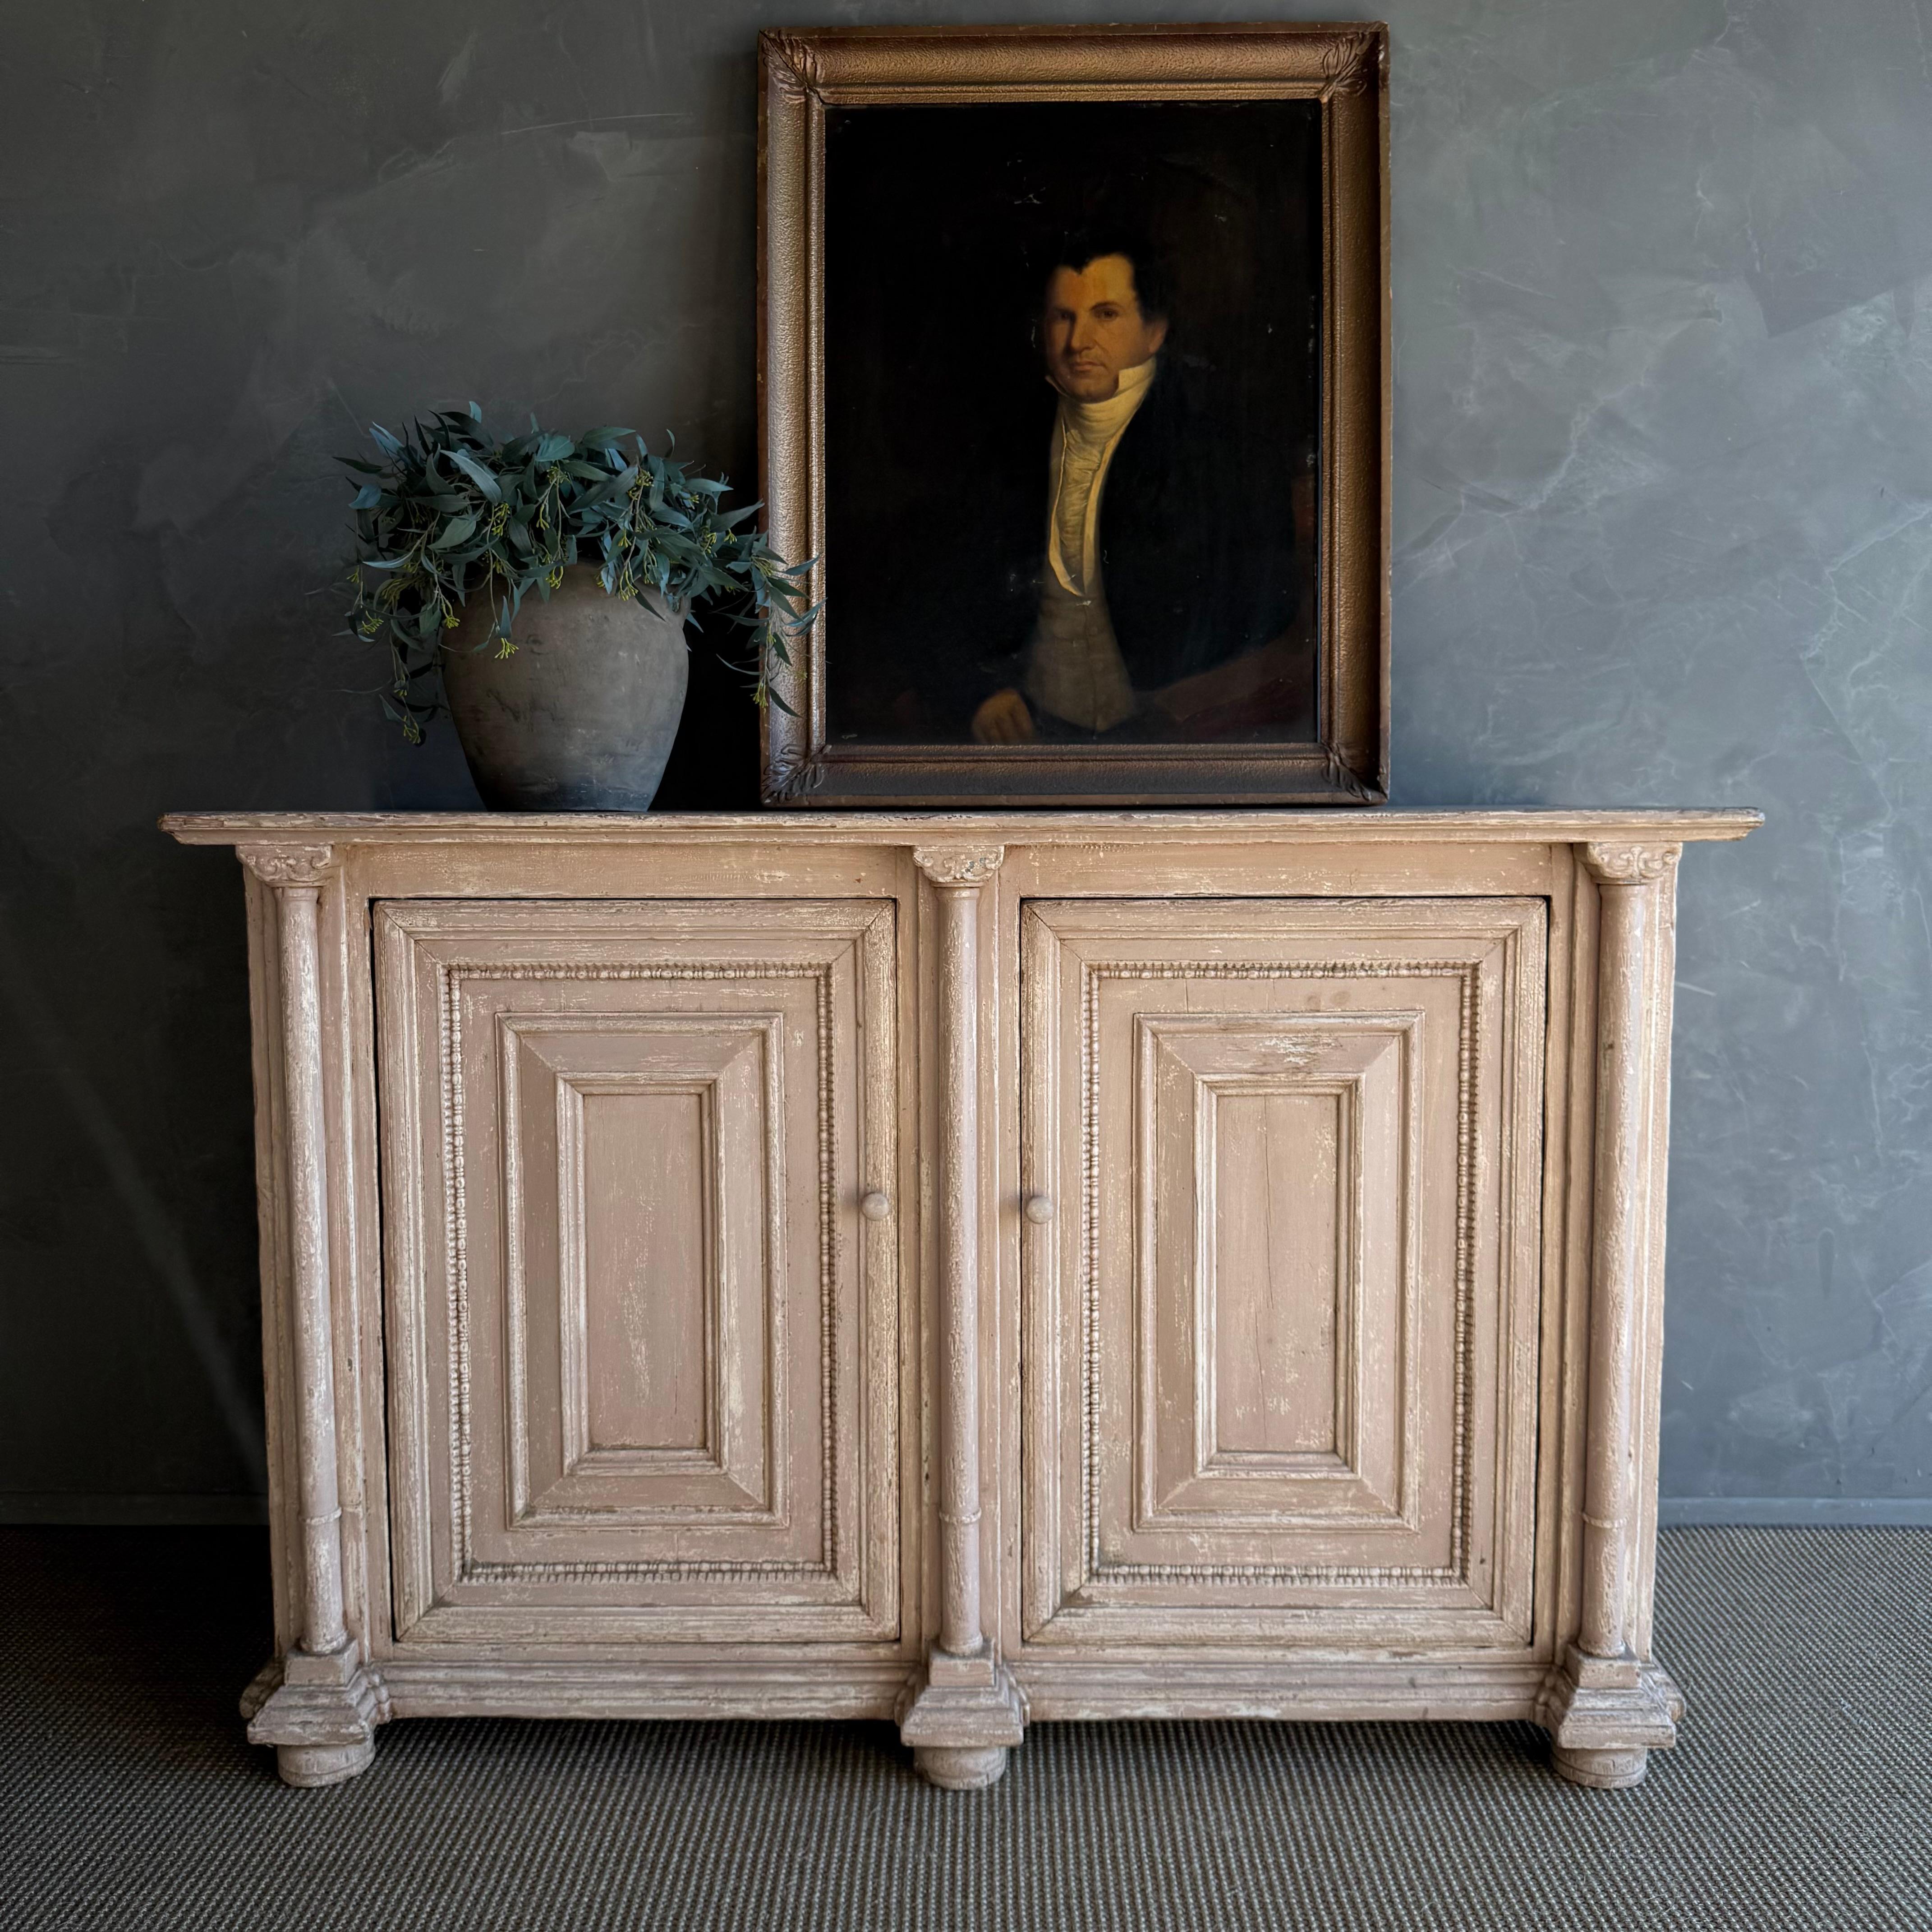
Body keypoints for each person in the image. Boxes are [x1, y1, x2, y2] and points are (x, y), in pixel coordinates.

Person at [963, 234, 1303, 745]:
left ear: (1155, 331)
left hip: (1178, 736)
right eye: (1063, 317)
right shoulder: (1009, 446)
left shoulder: (1221, 449)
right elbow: (949, 598)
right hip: (1034, 735)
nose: (1079, 342)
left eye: (1105, 315)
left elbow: (1259, 613)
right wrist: (981, 691)